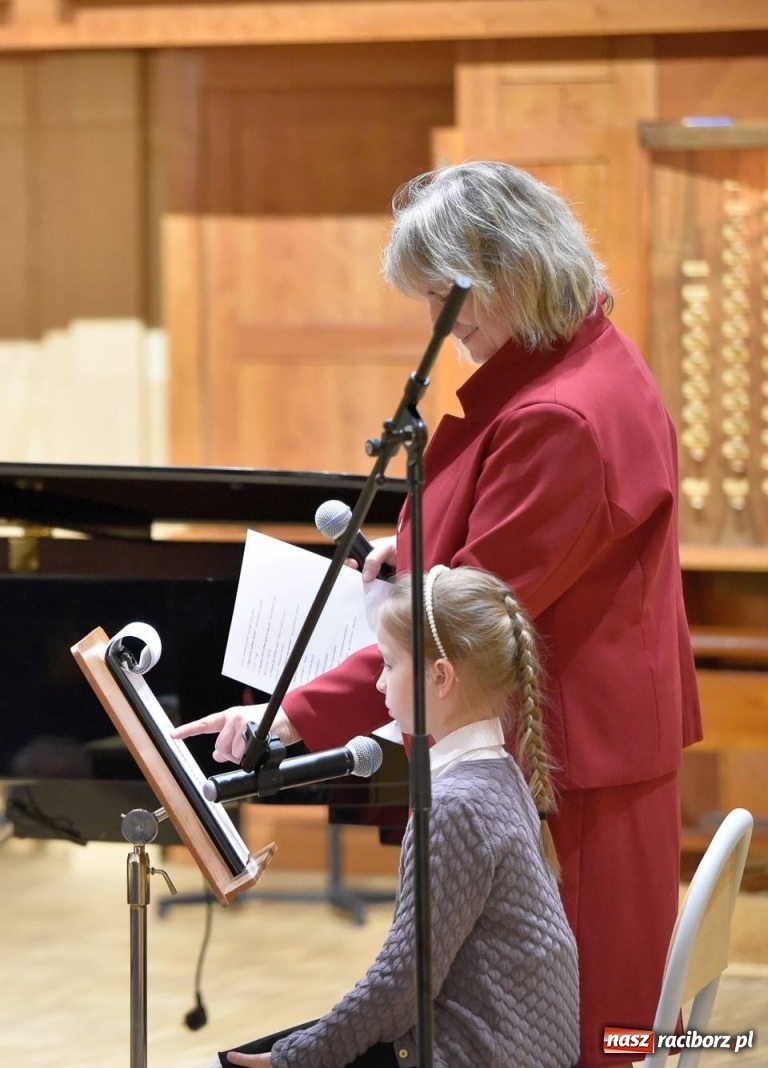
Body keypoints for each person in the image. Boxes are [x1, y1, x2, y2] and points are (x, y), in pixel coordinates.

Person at [176, 160, 700, 1066]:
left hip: (564, 768)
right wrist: (405, 560)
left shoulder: (561, 417)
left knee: (582, 1038)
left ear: (506, 275)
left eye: (444, 301)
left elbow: (463, 617)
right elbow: (489, 554)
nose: (440, 329)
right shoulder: (580, 356)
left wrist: (295, 713)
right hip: (574, 752)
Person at [219, 566, 579, 1068]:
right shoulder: (498, 771)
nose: (378, 680)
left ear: (440, 677)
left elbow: (400, 985)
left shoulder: (453, 805)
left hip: (483, 1050)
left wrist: (296, 1059)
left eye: (388, 664)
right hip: (519, 1042)